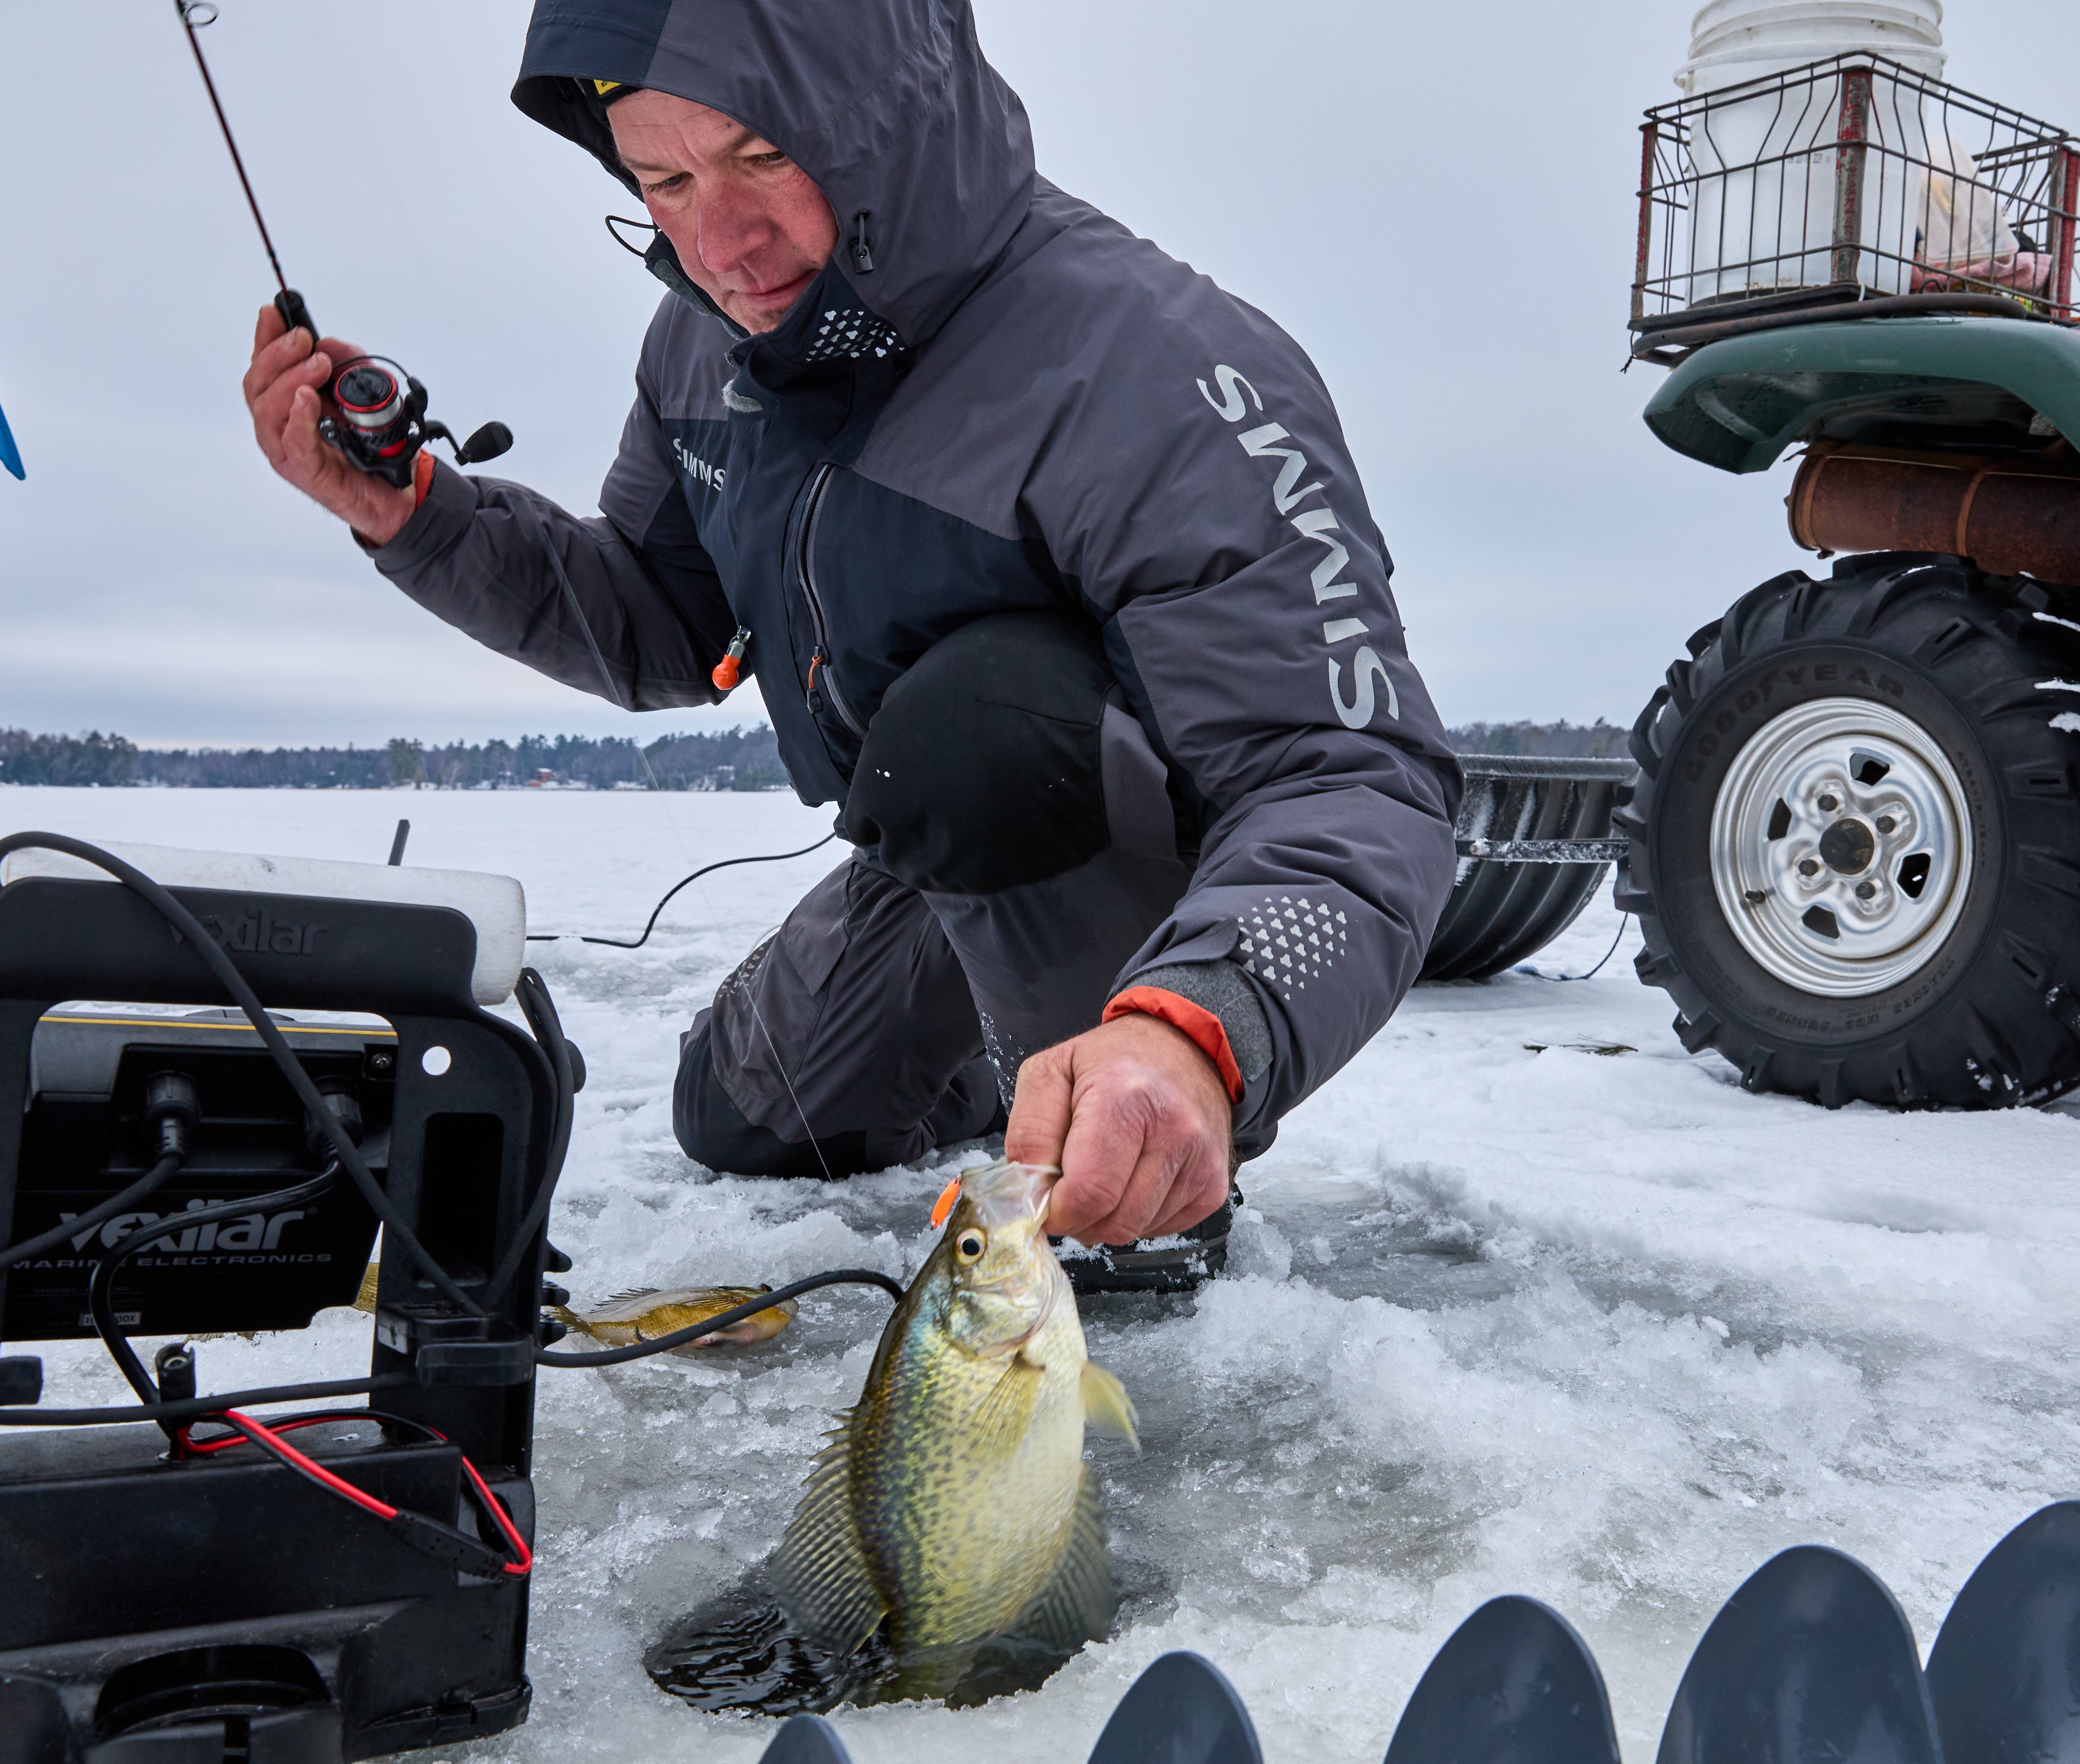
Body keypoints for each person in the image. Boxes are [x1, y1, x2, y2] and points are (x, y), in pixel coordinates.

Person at [241, 0, 1458, 1289]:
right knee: (736, 1116)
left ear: (885, 123)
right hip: (930, 857)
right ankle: (1008, 1071)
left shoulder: (1157, 369)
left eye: (761, 157)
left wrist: (1198, 1030)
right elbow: (658, 624)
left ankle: (1128, 1164)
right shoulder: (704, 347)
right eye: (662, 178)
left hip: (1166, 884)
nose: (718, 240)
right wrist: (414, 514)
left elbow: (1350, 779)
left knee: (983, 725)